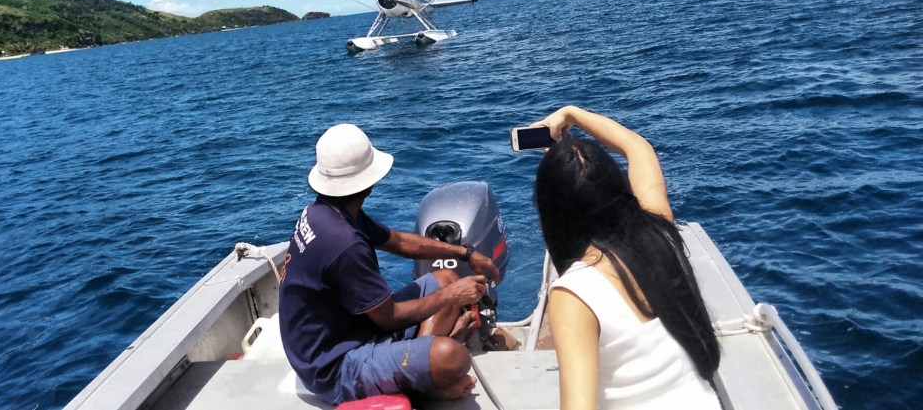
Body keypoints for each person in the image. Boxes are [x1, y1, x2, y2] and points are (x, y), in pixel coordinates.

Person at [279, 123, 501, 405]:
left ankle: (417, 366)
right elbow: (390, 317)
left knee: (446, 277)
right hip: (333, 367)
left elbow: (398, 241)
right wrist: (453, 297)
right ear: (368, 181)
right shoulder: (343, 243)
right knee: (452, 357)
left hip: (345, 333)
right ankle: (425, 384)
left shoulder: (326, 210)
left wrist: (465, 253)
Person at [531, 105, 721, 410]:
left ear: (552, 213)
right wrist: (572, 113)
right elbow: (637, 147)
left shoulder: (573, 295)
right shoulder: (659, 230)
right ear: (617, 186)